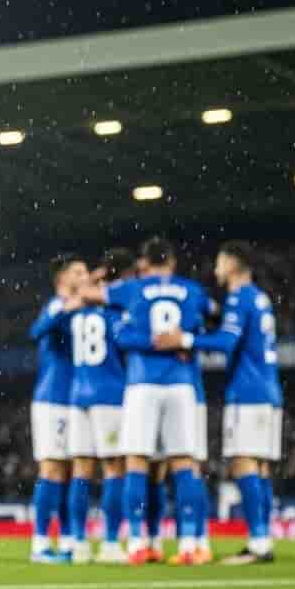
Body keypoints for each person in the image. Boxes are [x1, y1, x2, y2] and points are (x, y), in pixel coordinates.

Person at [87, 237, 213, 566]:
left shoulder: (132, 288)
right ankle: (189, 545)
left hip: (142, 382)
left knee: (137, 462)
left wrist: (101, 276)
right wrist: (184, 340)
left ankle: (137, 543)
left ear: (144, 263)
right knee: (184, 463)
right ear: (171, 262)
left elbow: (87, 294)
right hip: (181, 383)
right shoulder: (192, 290)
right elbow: (211, 316)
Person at [154, 240, 281, 564]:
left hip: (248, 391)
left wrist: (184, 339)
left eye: (220, 262)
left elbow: (226, 342)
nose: (216, 269)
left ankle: (258, 543)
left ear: (233, 265)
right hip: (269, 389)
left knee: (243, 463)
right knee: (260, 467)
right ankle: (263, 537)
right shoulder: (260, 297)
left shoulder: (239, 297)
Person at [66, 248, 134, 564]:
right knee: (113, 469)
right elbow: (125, 342)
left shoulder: (77, 313)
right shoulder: (112, 310)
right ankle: (109, 544)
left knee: (81, 470)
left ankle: (79, 543)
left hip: (78, 394)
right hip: (108, 394)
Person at [27, 254, 87, 563]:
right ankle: (39, 543)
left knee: (68, 471)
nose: (85, 275)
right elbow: (36, 331)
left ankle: (66, 539)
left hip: (76, 399)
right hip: (52, 398)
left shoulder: (85, 309)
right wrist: (66, 306)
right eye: (78, 271)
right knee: (51, 468)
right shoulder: (55, 305)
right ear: (62, 278)